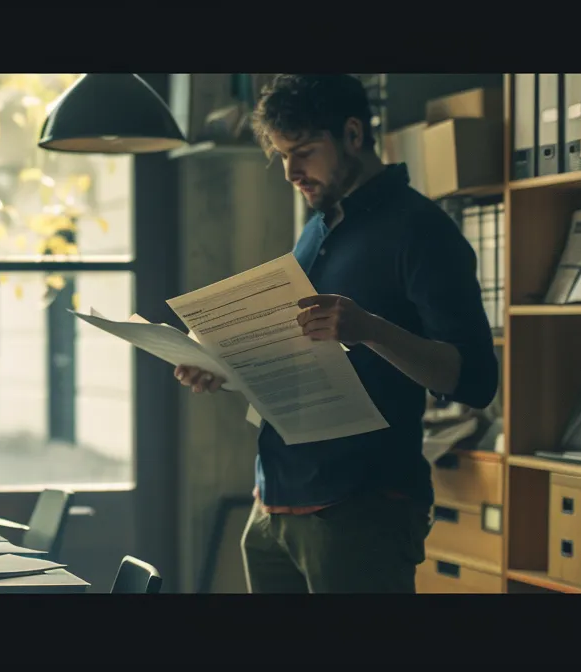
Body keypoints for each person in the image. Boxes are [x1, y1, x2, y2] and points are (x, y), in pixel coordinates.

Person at [173, 74, 498, 593]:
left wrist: (369, 328)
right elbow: (301, 354)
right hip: (273, 501)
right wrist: (223, 368)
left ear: (352, 134)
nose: (290, 172)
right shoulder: (317, 227)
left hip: (361, 507)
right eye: (281, 155)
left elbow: (476, 380)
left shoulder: (422, 231)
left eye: (302, 151)